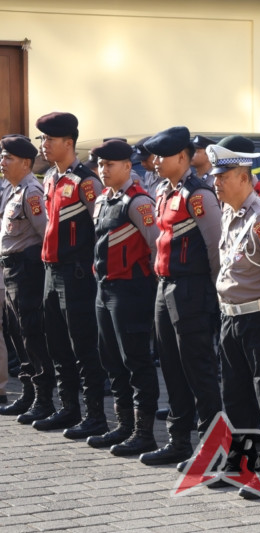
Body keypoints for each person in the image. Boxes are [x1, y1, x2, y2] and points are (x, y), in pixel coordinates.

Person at [208, 135, 260, 498]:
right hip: (230, 319)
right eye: (215, 176)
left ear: (243, 177)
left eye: (222, 176)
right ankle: (241, 466)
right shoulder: (230, 214)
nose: (215, 183)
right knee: (236, 397)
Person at [139, 126, 223, 466]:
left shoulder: (198, 195)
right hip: (165, 285)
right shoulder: (164, 191)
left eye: (162, 156)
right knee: (171, 367)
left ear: (182, 158)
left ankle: (212, 448)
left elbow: (215, 248)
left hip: (192, 289)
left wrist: (217, 296)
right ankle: (178, 440)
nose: (155, 162)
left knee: (198, 370)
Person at [32, 112, 109, 439]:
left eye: (49, 139)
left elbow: (101, 229)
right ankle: (69, 408)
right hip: (51, 271)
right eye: (42, 139)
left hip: (76, 275)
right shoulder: (50, 177)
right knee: (57, 344)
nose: (44, 145)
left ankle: (95, 416)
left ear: (68, 142)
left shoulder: (86, 182)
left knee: (83, 346)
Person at [86, 140, 160, 457]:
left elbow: (156, 247)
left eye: (110, 165)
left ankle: (144, 433)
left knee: (137, 362)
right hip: (105, 289)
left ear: (127, 167)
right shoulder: (104, 200)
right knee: (112, 361)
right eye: (101, 165)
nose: (103, 170)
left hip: (132, 291)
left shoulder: (139, 202)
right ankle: (124, 426)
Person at [0, 136, 55, 423]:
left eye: (8, 158)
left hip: (26, 271)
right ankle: (28, 393)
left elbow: (45, 233)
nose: (2, 162)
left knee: (31, 333)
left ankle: (43, 398)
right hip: (10, 269)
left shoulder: (32, 193)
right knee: (15, 332)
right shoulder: (14, 190)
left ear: (25, 163)